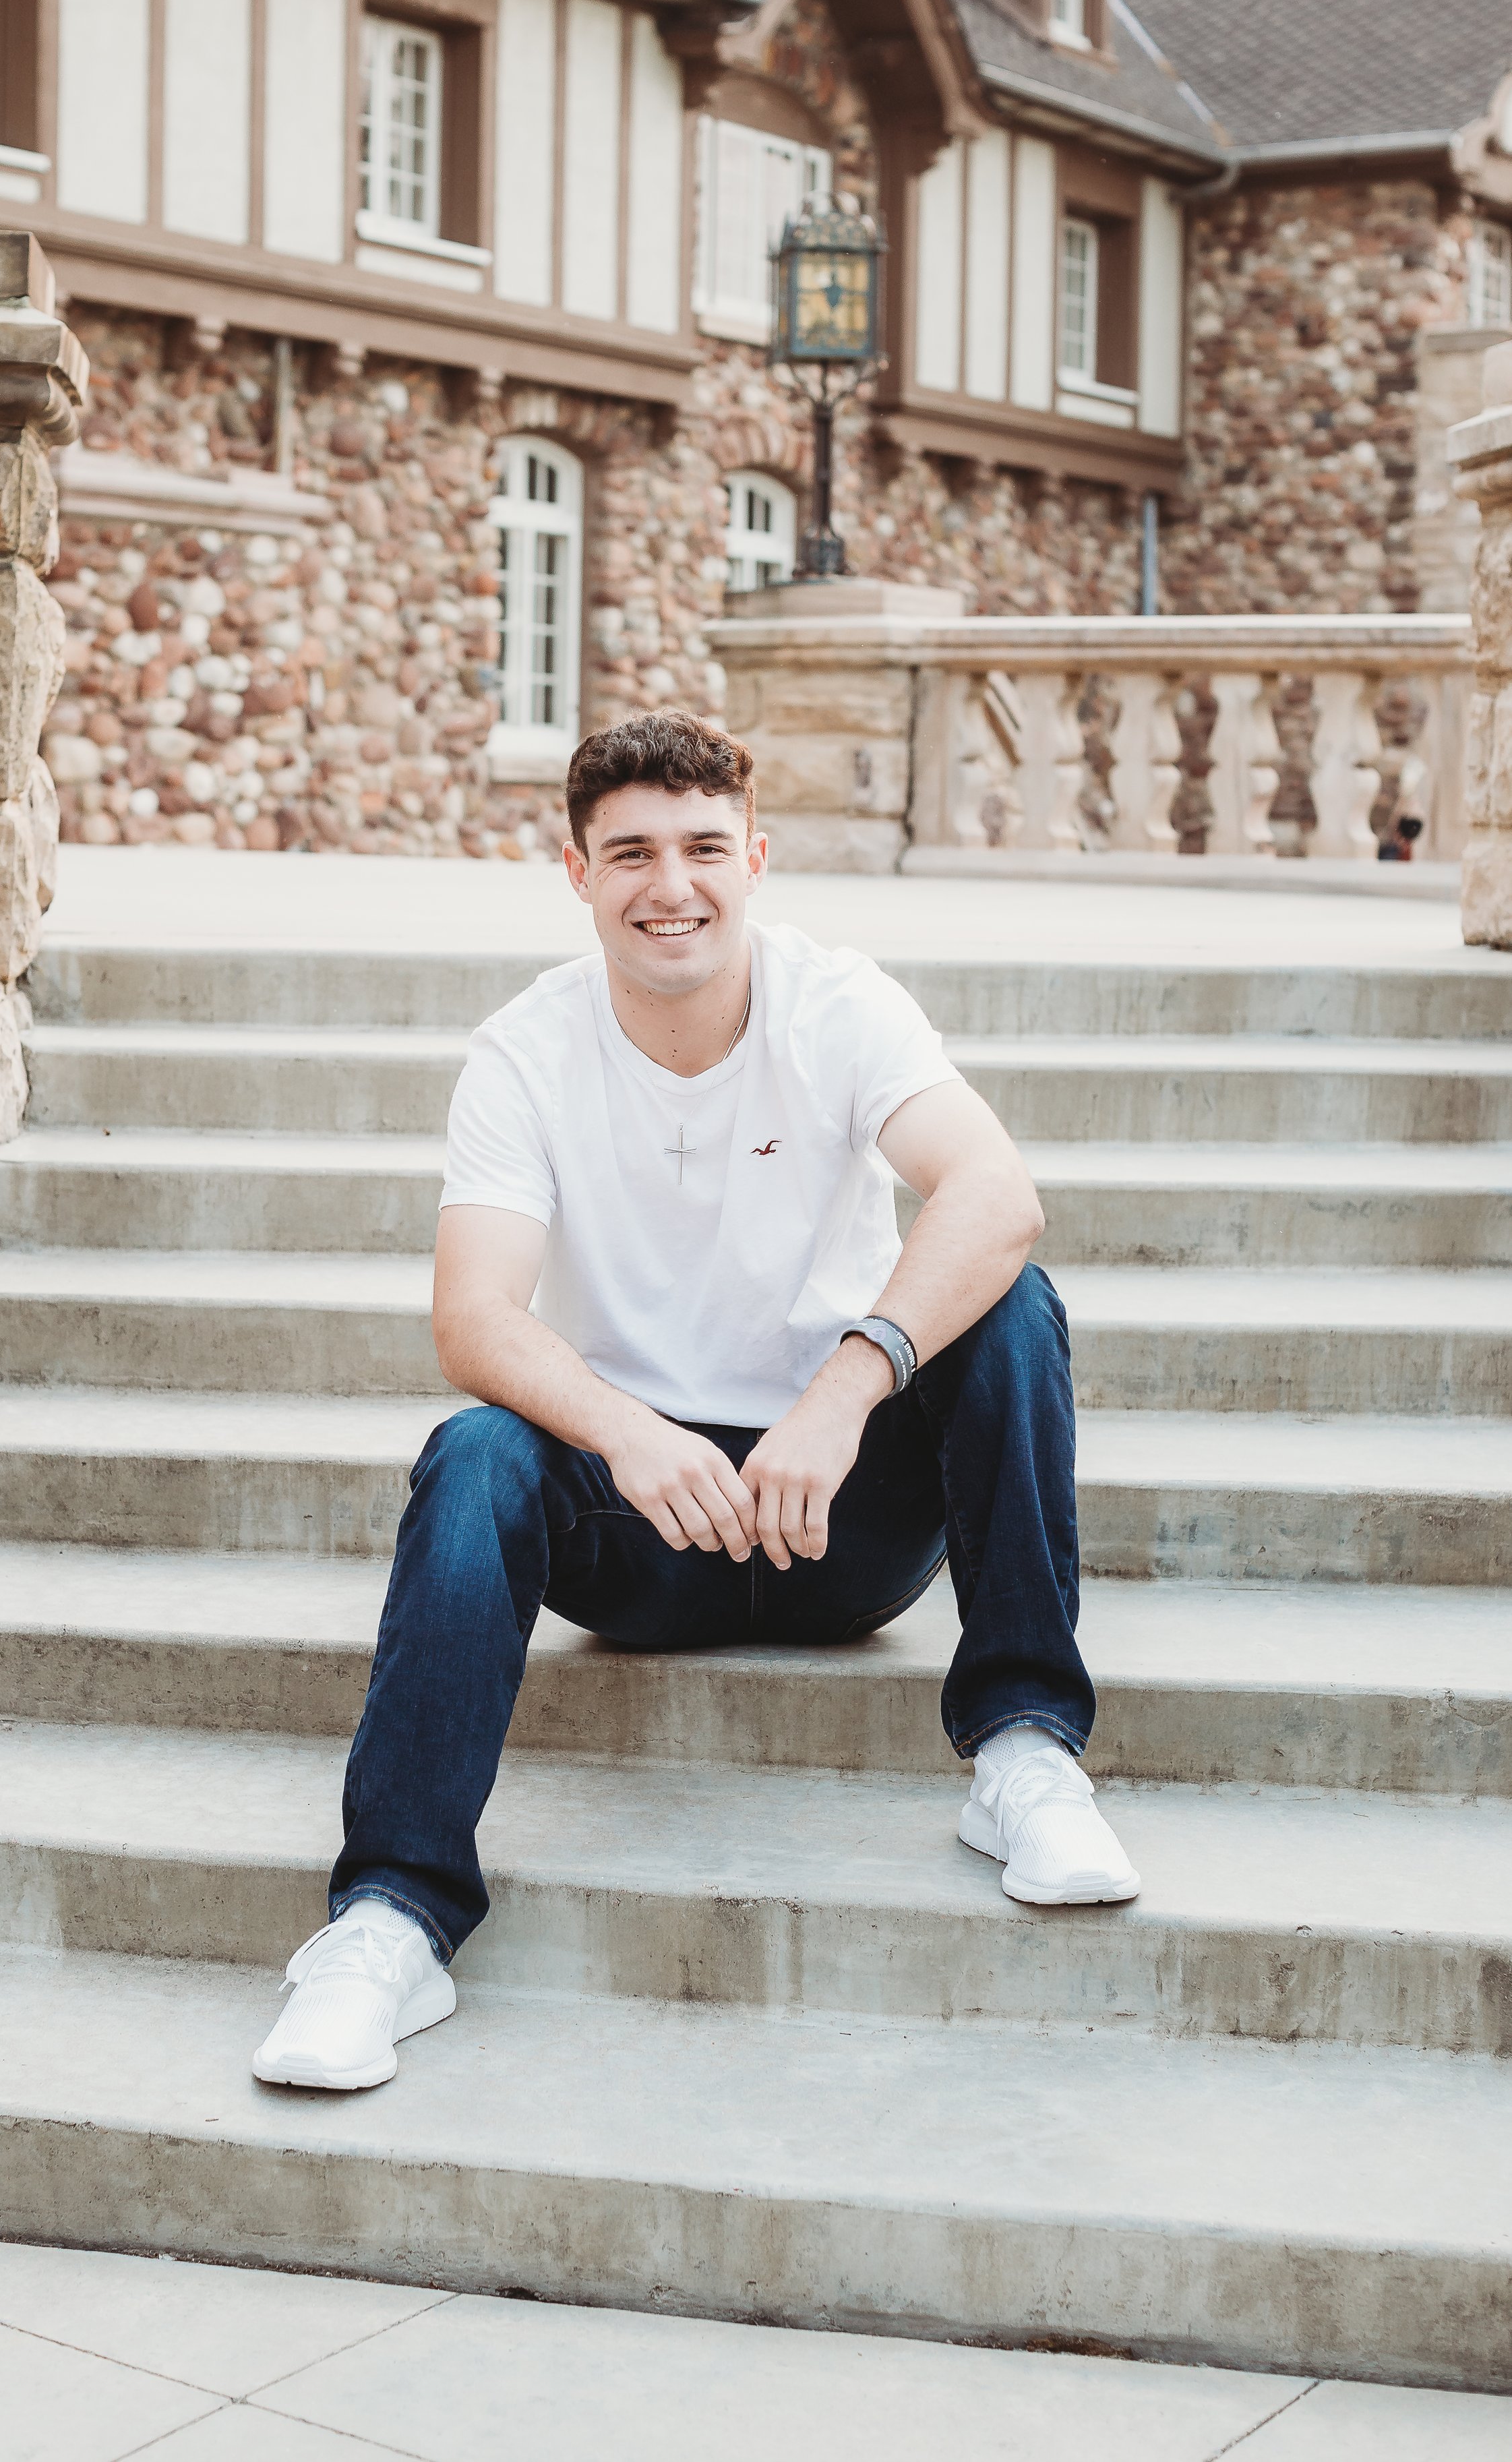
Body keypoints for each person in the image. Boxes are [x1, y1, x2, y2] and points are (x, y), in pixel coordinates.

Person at [253, 709, 1138, 2092]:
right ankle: (391, 1923)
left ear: (755, 857)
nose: (671, 887)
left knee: (1005, 1302)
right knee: (478, 1451)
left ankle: (1022, 1753)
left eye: (703, 849)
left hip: (837, 1516)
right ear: (576, 872)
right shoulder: (523, 1052)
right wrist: (623, 1428)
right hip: (641, 1530)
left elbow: (993, 1193)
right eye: (631, 855)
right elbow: (472, 1316)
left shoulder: (835, 1003)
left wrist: (849, 1386)